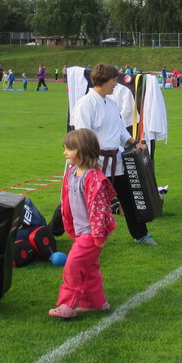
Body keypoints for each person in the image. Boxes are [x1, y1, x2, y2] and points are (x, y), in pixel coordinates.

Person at [71, 63, 157, 245]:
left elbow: (119, 129)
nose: (116, 84)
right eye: (113, 80)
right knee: (81, 200)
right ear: (103, 80)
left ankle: (141, 235)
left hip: (115, 162)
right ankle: (53, 229)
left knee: (128, 198)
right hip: (95, 162)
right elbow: (82, 135)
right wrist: (90, 161)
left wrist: (134, 142)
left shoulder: (110, 103)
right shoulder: (85, 104)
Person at [48, 129, 117, 319]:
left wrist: (98, 235)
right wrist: (70, 226)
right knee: (89, 269)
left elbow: (99, 209)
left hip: (92, 233)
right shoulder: (71, 173)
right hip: (81, 231)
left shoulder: (94, 178)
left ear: (83, 151)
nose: (65, 152)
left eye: (69, 149)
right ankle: (96, 303)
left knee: (73, 265)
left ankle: (67, 305)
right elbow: (66, 201)